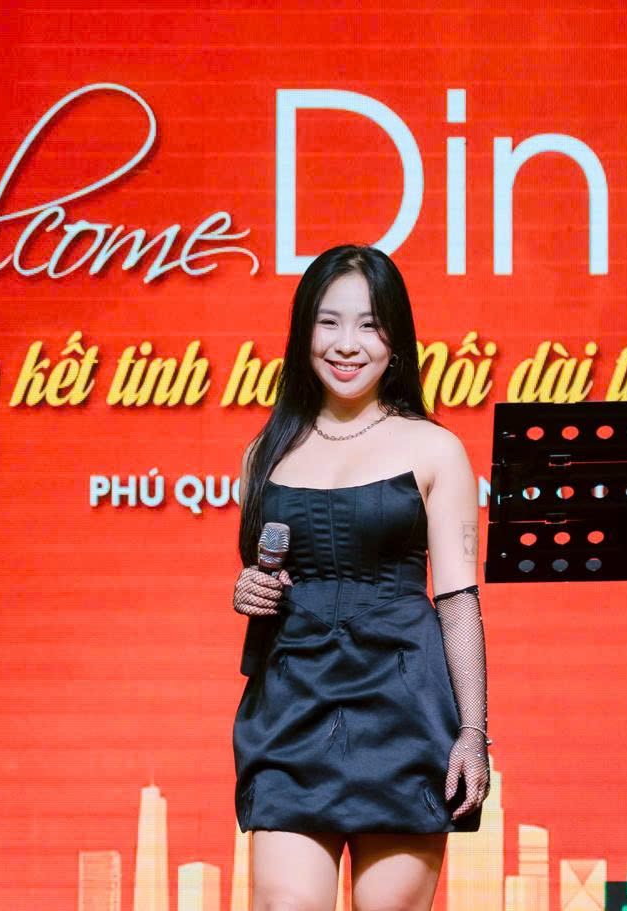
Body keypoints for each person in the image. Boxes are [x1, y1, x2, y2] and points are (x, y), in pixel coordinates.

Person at [230, 244, 490, 911]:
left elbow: (458, 599)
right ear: (303, 333)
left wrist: (472, 732)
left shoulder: (435, 448)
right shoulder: (266, 452)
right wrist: (246, 589)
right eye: (329, 322)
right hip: (293, 707)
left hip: (401, 708)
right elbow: (265, 580)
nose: (348, 343)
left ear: (395, 340)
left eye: (370, 325)